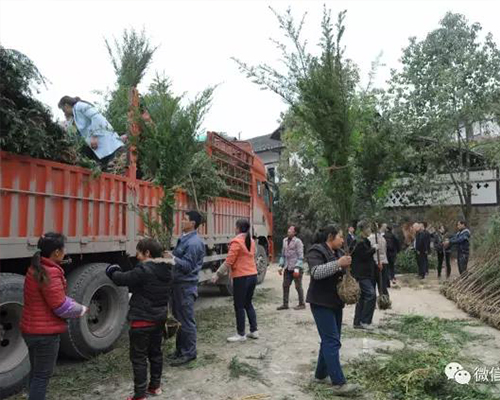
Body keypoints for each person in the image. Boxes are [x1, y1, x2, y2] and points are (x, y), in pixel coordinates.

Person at [20, 233, 87, 400]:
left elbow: (53, 298)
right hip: (45, 335)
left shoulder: (35, 267)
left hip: (30, 331)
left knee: (36, 373)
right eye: (64, 249)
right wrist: (81, 309)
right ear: (57, 252)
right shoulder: (50, 272)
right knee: (42, 377)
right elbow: (60, 307)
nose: (65, 252)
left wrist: (68, 302)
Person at [105, 238, 173, 400]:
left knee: (139, 358)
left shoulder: (144, 270)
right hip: (159, 320)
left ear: (147, 253)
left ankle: (140, 395)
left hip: (142, 320)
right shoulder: (167, 269)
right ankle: (155, 387)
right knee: (156, 354)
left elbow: (122, 279)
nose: (136, 256)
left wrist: (111, 270)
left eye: (138, 252)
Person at [306, 225, 361, 397]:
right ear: (330, 236)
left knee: (330, 339)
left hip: (334, 302)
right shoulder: (316, 251)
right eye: (340, 237)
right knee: (332, 341)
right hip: (321, 302)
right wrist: (338, 264)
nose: (343, 240)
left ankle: (320, 375)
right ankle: (339, 383)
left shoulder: (337, 252)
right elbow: (316, 272)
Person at [212, 219, 259, 342]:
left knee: (239, 305)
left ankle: (241, 333)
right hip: (253, 275)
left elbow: (229, 261)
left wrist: (217, 274)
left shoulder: (236, 242)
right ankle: (254, 330)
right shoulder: (252, 241)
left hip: (242, 277)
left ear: (238, 228)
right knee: (248, 303)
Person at [168, 210, 205, 366]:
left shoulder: (194, 243)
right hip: (177, 285)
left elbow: (187, 266)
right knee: (178, 319)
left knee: (186, 321)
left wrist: (172, 258)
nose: (181, 221)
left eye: (185, 219)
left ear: (192, 224)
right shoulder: (184, 239)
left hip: (186, 286)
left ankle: (189, 353)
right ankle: (180, 350)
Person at [58, 96, 125, 171]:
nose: (64, 113)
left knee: (109, 167)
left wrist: (94, 136)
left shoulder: (80, 106)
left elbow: (96, 117)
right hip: (97, 147)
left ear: (66, 106)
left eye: (63, 110)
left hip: (104, 142)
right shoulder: (75, 115)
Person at [351, 221, 377, 330]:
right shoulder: (359, 242)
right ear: (363, 229)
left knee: (362, 298)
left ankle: (357, 322)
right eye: (368, 228)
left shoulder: (365, 241)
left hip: (366, 272)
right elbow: (363, 256)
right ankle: (364, 321)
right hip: (361, 274)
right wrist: (374, 249)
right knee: (371, 295)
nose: (370, 230)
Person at [277, 225, 305, 311]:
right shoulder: (284, 240)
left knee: (298, 286)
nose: (288, 231)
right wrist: (280, 266)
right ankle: (285, 304)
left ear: (295, 232)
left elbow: (301, 256)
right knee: (285, 285)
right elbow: (283, 254)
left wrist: (297, 268)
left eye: (291, 230)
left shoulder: (298, 242)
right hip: (288, 267)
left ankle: (302, 304)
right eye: (288, 229)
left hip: (296, 267)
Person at [369, 225, 389, 297]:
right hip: (383, 261)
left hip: (373, 263)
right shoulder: (383, 239)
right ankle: (385, 299)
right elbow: (385, 250)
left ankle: (373, 300)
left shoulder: (369, 239)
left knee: (372, 283)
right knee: (382, 284)